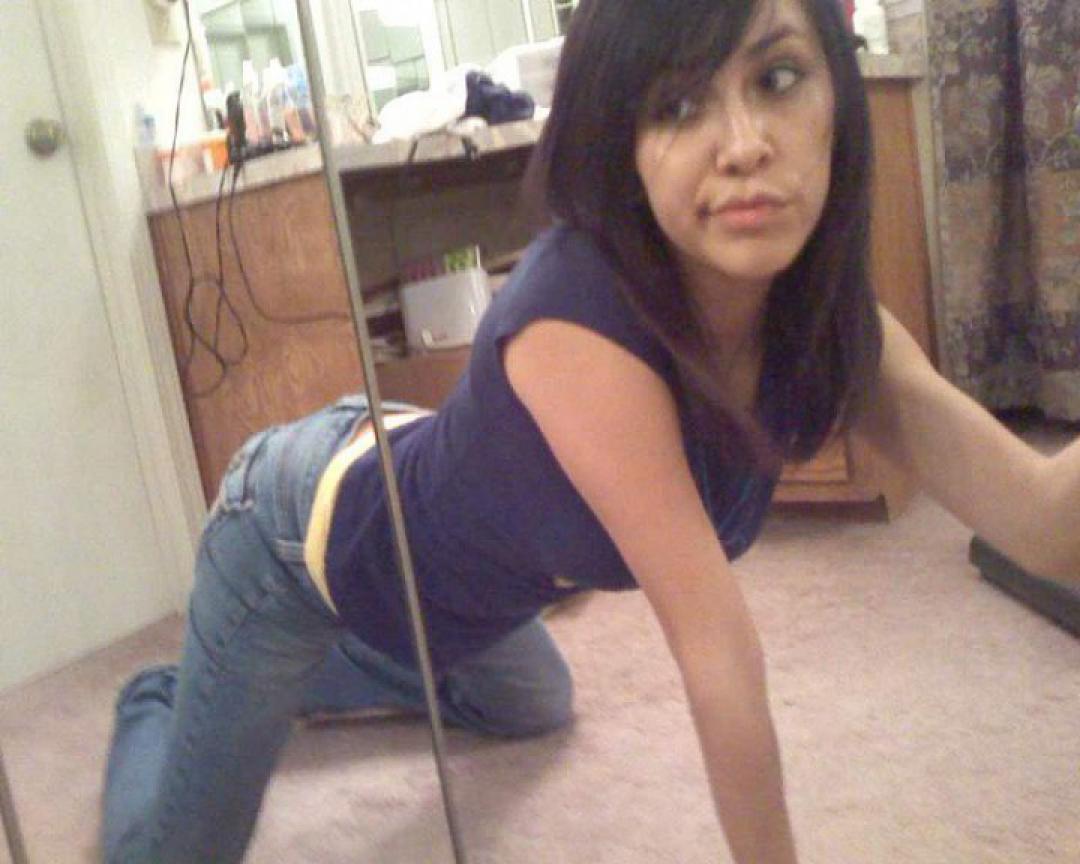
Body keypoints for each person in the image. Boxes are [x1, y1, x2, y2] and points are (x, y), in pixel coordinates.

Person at [101, 0, 1080, 861]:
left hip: (413, 483)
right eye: (678, 104)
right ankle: (176, 693)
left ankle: (273, 683)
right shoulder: (578, 325)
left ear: (838, 97)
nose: (744, 143)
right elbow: (719, 657)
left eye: (778, 78)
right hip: (292, 539)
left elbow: (1042, 522)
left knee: (535, 705)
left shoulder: (831, 327)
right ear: (625, 147)